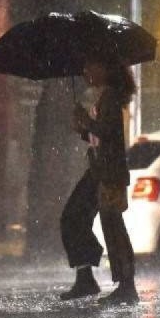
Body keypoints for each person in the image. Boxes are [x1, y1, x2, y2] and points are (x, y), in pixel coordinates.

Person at [58, 55, 139, 305]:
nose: (85, 70)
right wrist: (84, 128)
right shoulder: (105, 96)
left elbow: (108, 132)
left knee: (112, 225)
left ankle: (126, 286)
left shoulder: (112, 97)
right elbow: (100, 135)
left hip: (109, 171)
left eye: (91, 64)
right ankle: (86, 276)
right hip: (98, 169)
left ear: (106, 67)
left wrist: (87, 122)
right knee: (74, 216)